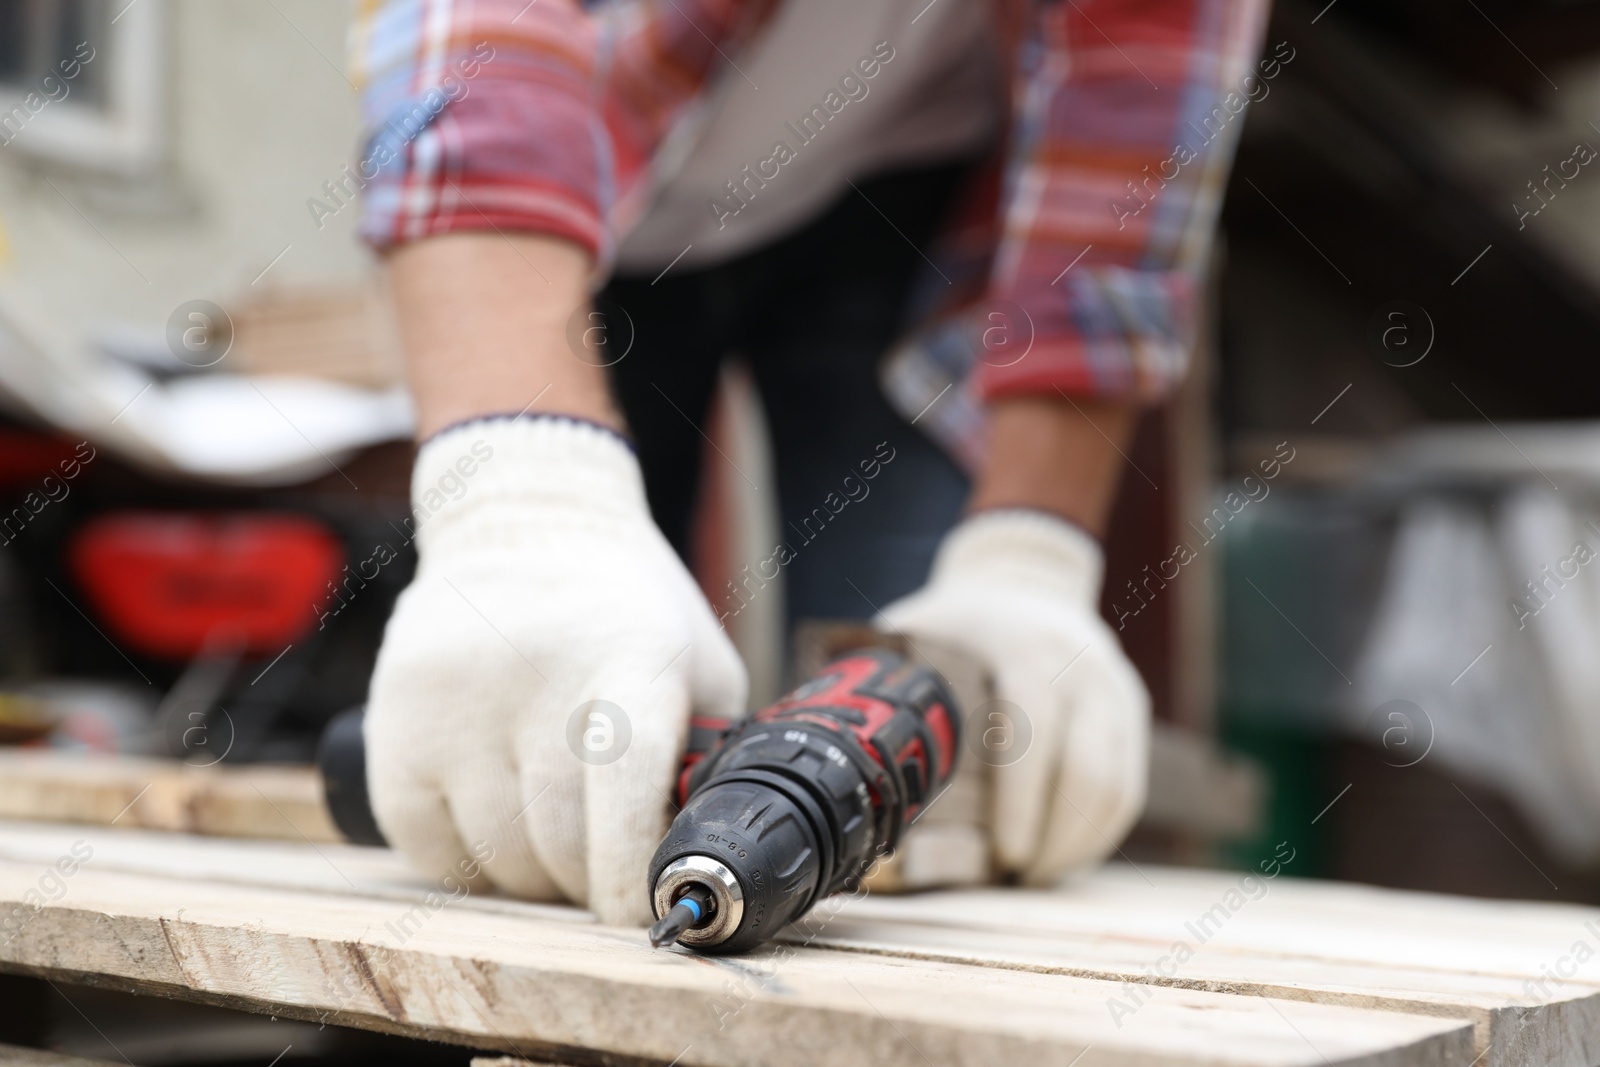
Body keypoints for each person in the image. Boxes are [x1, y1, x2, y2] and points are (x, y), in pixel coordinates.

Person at [351, 0, 1269, 926]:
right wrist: (520, 490)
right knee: (564, 707)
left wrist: (1029, 553)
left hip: (888, 183)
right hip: (587, 193)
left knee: (917, 776)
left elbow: (1141, 84)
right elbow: (472, 32)